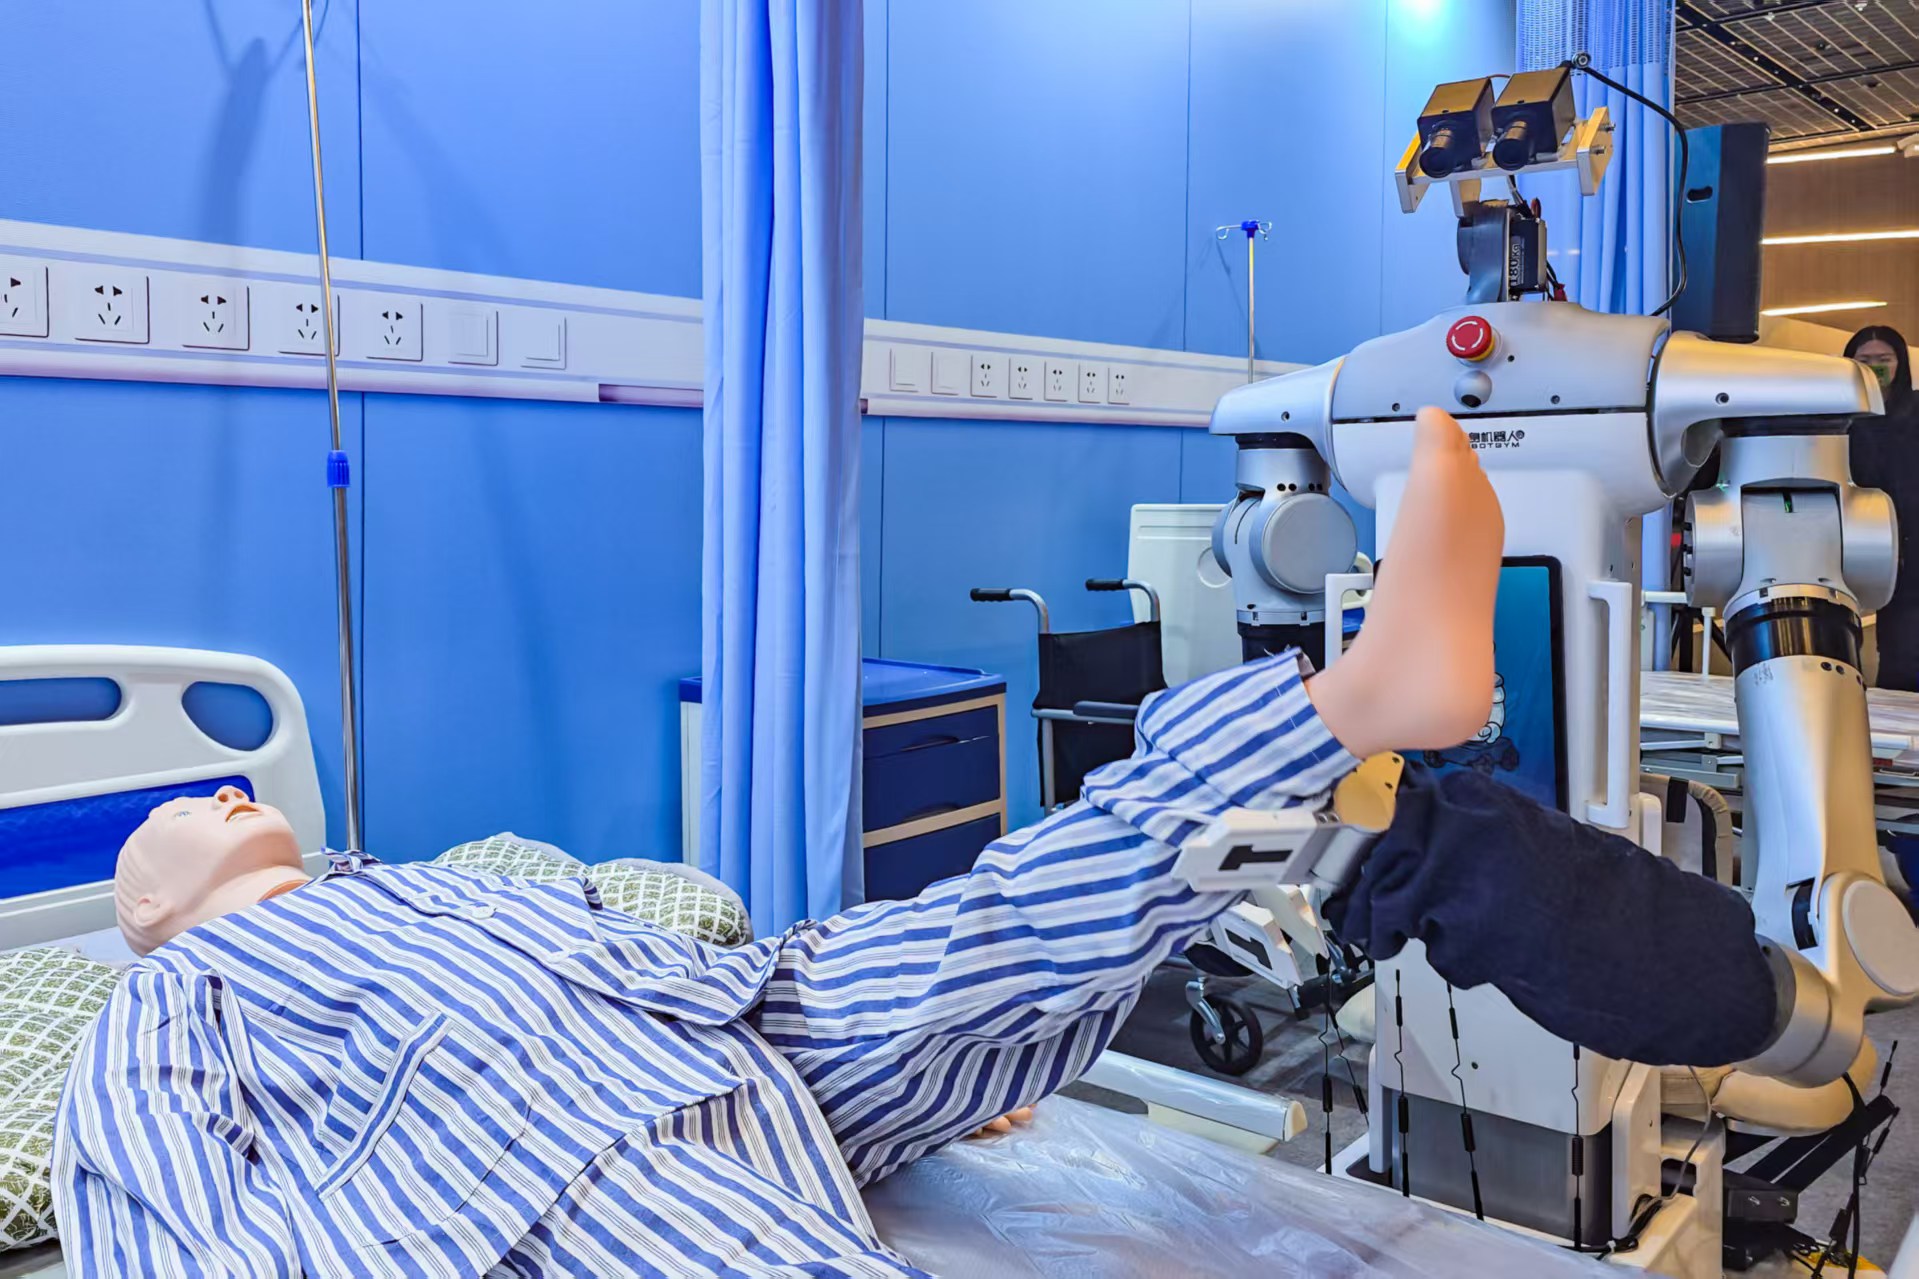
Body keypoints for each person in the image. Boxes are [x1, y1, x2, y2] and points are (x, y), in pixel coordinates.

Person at [54, 410, 1784, 1277]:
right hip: (519, 1137)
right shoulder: (165, 1006)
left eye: (218, 786)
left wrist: (944, 1065)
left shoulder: (432, 875)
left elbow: (641, 926)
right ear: (144, 914)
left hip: (745, 1020)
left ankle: (1361, 697)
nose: (219, 796)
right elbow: (172, 1221)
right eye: (178, 815)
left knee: (1007, 914)